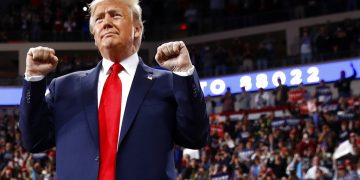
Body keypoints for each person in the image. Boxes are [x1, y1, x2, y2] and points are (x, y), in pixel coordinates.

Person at [19, 0, 209, 179]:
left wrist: (184, 74)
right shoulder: (64, 87)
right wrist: (34, 80)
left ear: (137, 29)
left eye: (115, 15)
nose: (106, 23)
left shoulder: (167, 83)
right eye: (99, 19)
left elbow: (196, 137)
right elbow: (34, 140)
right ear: (94, 36)